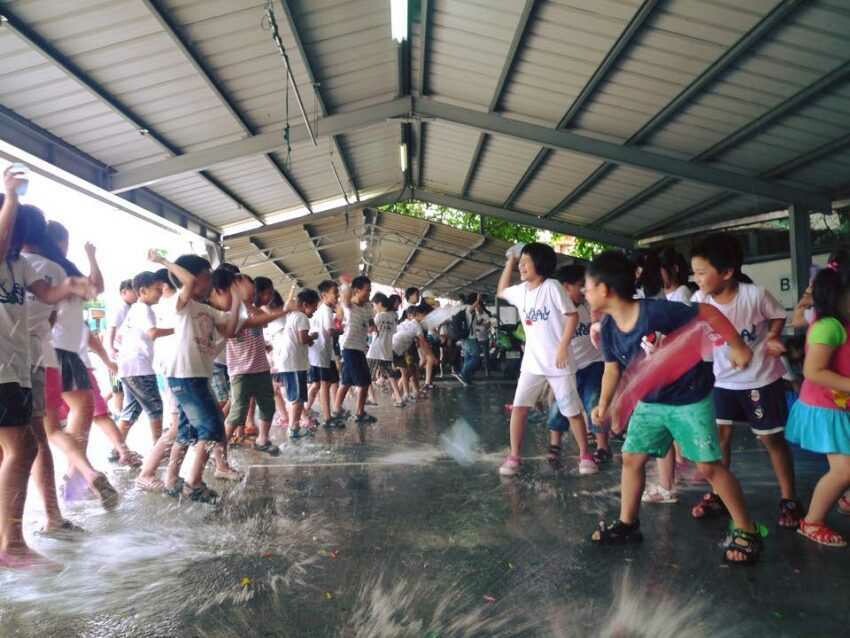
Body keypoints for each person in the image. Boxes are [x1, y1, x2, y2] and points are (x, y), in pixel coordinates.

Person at [585, 250, 764, 564]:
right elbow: (612, 369)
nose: (585, 294)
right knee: (631, 459)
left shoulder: (658, 313)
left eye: (587, 287)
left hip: (689, 399)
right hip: (651, 403)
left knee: (709, 466)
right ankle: (628, 525)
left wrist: (737, 345)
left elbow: (707, 313)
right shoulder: (611, 328)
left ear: (604, 290)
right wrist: (605, 404)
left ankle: (747, 531)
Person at [0, 176, 99, 568]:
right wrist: (10, 197)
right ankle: (12, 546)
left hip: (17, 367)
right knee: (23, 448)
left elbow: (47, 295)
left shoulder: (19, 264)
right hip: (2, 368)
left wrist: (73, 286)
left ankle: (12, 543)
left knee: (22, 448)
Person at [691, 233, 801, 529]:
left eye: (702, 272)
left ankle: (789, 498)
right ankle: (719, 495)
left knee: (771, 439)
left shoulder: (755, 295)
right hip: (723, 381)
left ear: (726, 272)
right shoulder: (699, 299)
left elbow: (778, 315)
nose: (696, 278)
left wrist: (774, 336)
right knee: (720, 440)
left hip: (761, 379)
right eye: (695, 272)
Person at [497, 243, 597, 476]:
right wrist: (510, 260)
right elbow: (501, 291)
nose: (521, 266)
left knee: (571, 410)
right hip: (532, 363)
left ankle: (585, 455)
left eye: (525, 261)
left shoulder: (552, 287)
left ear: (539, 264)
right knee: (519, 408)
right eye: (520, 262)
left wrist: (563, 347)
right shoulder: (521, 291)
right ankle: (514, 456)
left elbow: (571, 317)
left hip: (558, 363)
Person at [151, 250, 241, 503]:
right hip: (185, 376)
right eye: (206, 277)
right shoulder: (177, 304)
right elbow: (188, 283)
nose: (210, 282)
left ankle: (171, 480)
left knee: (186, 431)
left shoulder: (204, 309)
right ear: (191, 277)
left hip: (196, 376)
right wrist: (164, 261)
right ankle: (194, 483)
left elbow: (231, 330)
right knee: (212, 428)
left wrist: (236, 301)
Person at [43, 221, 120, 510]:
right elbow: (97, 287)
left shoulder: (49, 269)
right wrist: (91, 257)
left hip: (60, 351)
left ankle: (78, 478)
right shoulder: (59, 269)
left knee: (65, 423)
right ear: (61, 242)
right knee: (60, 426)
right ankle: (79, 478)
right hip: (62, 351)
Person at [785, 261, 850, 546]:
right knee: (844, 469)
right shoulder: (828, 327)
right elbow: (813, 371)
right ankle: (811, 522)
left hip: (838, 404)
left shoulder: (841, 323)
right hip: (826, 409)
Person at [641, 247, 693, 503]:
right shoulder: (670, 295)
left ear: (672, 269)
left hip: (676, 371)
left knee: (666, 429)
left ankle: (667, 485)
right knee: (670, 431)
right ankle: (671, 478)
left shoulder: (681, 296)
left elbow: (678, 333)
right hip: (672, 369)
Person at [550, 265, 610, 466]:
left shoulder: (588, 306)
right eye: (579, 285)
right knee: (561, 404)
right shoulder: (557, 312)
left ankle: (602, 447)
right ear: (566, 288)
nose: (584, 290)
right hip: (568, 367)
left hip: (593, 363)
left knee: (594, 403)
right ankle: (555, 445)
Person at [223, 273, 287, 457]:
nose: (251, 292)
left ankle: (262, 440)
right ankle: (221, 448)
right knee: (237, 411)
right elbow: (238, 330)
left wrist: (250, 305)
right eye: (247, 287)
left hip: (261, 367)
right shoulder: (232, 312)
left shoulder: (254, 310)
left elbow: (263, 321)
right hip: (241, 370)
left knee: (267, 405)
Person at [115, 271, 171, 451]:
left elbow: (121, 336)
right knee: (155, 408)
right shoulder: (143, 309)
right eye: (156, 289)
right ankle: (158, 449)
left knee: (131, 411)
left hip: (128, 367)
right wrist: (177, 329)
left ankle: (117, 449)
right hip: (139, 368)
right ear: (143, 291)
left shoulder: (134, 310)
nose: (160, 292)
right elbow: (152, 333)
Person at [276, 289, 320, 438]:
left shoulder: (292, 315)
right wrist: (312, 337)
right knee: (297, 398)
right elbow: (302, 339)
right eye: (314, 307)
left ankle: (294, 426)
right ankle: (293, 428)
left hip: (290, 362)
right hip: (294, 363)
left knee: (296, 397)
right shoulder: (302, 317)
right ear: (306, 304)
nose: (314, 311)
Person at [332, 275, 375, 424]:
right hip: (349, 348)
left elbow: (370, 321)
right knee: (364, 382)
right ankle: (360, 413)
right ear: (356, 290)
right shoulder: (349, 305)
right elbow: (344, 298)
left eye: (370, 290)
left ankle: (337, 410)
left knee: (346, 381)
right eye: (367, 290)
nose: (369, 293)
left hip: (359, 348)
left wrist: (372, 326)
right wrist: (345, 285)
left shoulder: (368, 307)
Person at [306, 280, 342, 428]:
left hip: (320, 354)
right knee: (324, 385)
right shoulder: (326, 310)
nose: (337, 296)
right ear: (324, 295)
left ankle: (305, 410)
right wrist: (342, 329)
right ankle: (327, 418)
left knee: (318, 384)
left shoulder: (323, 310)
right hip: (321, 354)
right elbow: (330, 331)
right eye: (335, 293)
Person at [367, 292, 404, 407]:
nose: (373, 308)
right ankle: (399, 399)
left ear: (379, 304)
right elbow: (394, 331)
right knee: (391, 375)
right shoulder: (393, 317)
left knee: (366, 375)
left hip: (375, 350)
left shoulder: (379, 316)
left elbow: (370, 330)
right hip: (387, 350)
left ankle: (372, 398)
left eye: (374, 305)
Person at [106, 279, 136, 417]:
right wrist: (111, 348)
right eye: (134, 291)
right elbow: (111, 329)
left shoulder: (131, 308)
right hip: (116, 354)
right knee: (118, 388)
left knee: (121, 384)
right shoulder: (121, 308)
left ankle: (103, 402)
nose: (137, 294)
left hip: (126, 353)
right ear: (124, 292)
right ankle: (118, 412)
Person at [393, 305, 429, 403]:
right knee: (407, 372)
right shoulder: (415, 325)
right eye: (423, 315)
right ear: (412, 315)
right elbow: (423, 341)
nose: (425, 317)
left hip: (401, 349)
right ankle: (404, 394)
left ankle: (409, 393)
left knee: (410, 371)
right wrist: (428, 355)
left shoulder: (404, 323)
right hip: (404, 350)